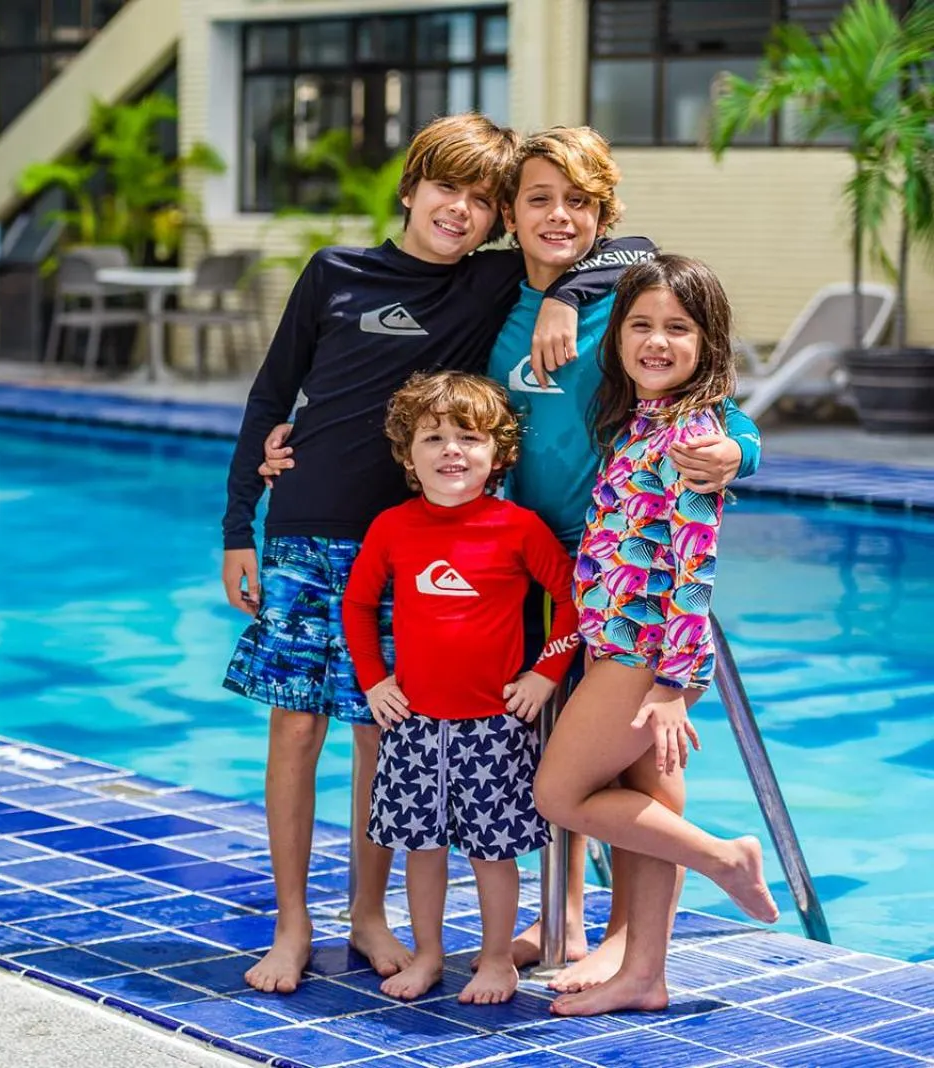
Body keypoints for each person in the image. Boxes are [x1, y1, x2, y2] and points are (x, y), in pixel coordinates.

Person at [261, 127, 763, 989]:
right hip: (525, 564)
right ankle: (564, 913)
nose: (557, 217)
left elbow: (710, 399)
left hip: (624, 566)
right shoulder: (490, 299)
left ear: (603, 214)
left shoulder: (625, 299)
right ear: (509, 215)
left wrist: (738, 451)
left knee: (639, 758)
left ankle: (631, 940)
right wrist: (287, 444)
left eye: (579, 203)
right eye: (537, 200)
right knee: (545, 743)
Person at [532, 254, 780, 1018]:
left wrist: (671, 685)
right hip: (626, 647)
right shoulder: (642, 419)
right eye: (640, 325)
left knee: (560, 794)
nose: (657, 341)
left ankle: (724, 859)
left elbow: (695, 566)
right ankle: (644, 975)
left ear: (709, 342)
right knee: (645, 806)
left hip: (645, 658)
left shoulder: (694, 436)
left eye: (678, 328)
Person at [342, 371, 581, 1006]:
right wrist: (374, 681)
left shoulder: (518, 527)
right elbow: (358, 605)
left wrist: (545, 674)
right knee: (421, 850)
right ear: (408, 455)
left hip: (494, 727)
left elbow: (572, 600)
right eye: (433, 437)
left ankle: (498, 958)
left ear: (498, 454)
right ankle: (428, 955)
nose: (451, 450)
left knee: (493, 854)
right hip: (412, 724)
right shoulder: (392, 527)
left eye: (469, 437)